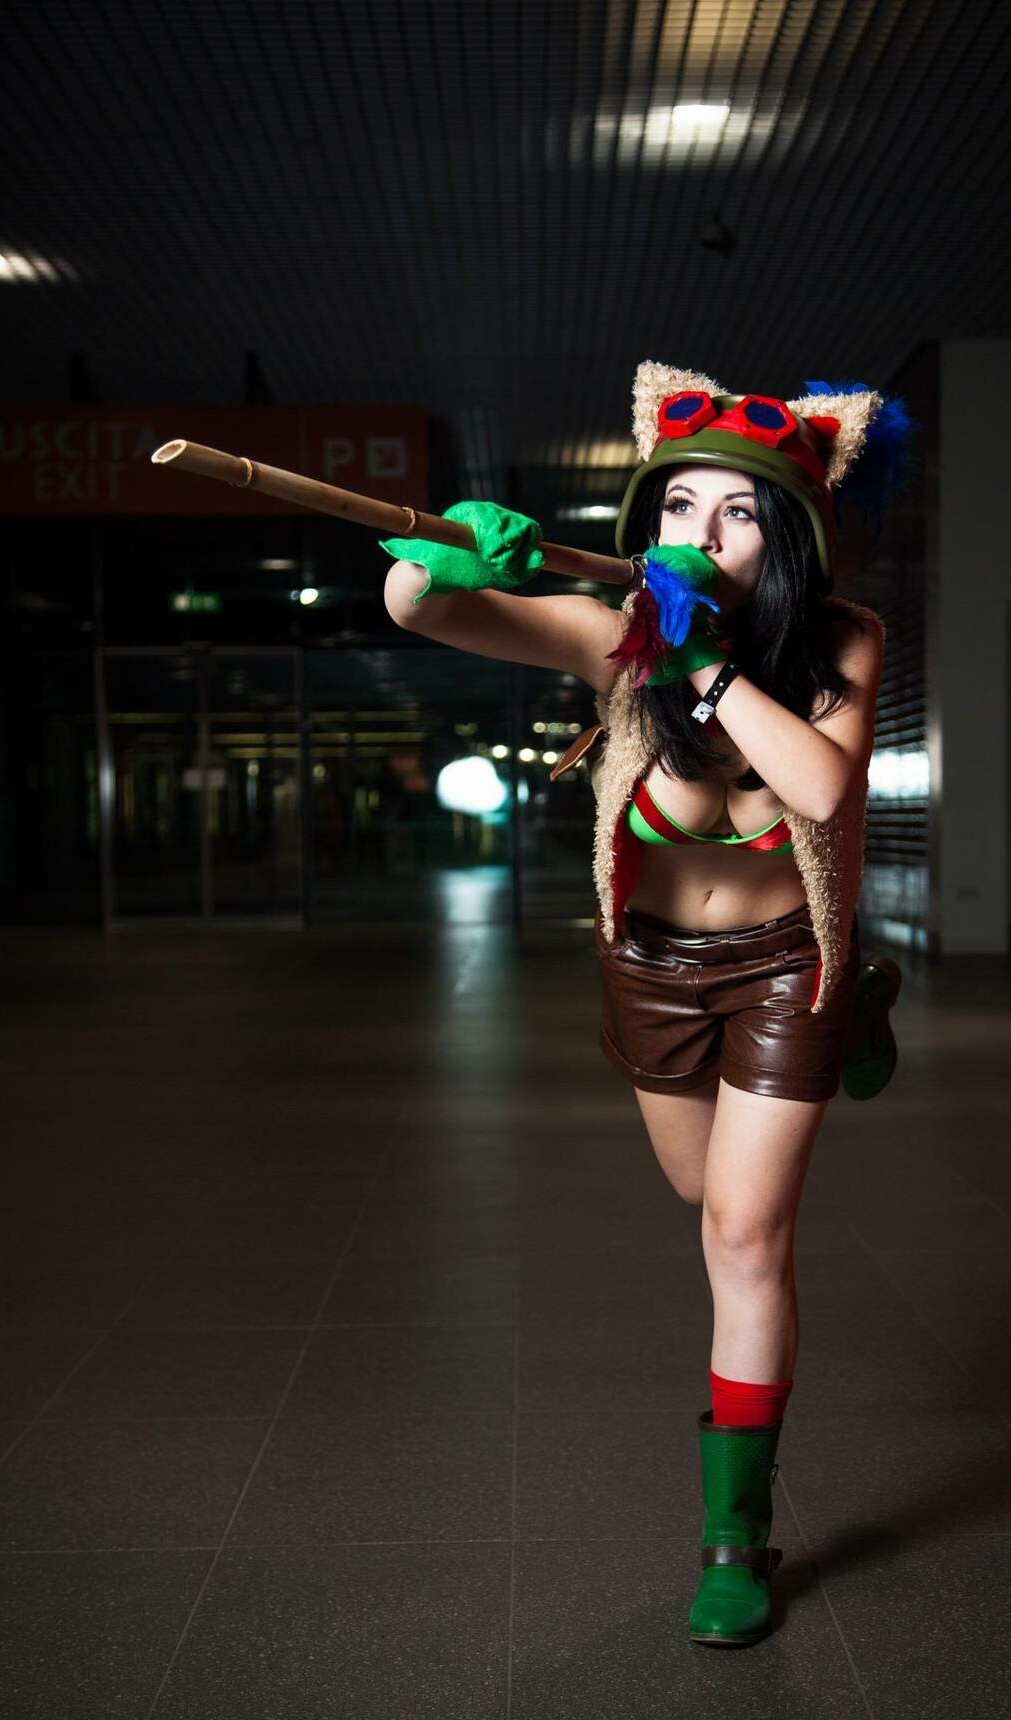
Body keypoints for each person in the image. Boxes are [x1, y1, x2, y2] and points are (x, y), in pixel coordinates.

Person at [381, 359, 911, 1648]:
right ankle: (860, 1018)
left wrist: (712, 666)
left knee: (744, 1233)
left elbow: (822, 789)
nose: (702, 533)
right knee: (697, 1190)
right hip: (655, 972)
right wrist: (454, 558)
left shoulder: (843, 638)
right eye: (680, 507)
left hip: (787, 961)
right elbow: (418, 610)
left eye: (739, 512)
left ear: (787, 534)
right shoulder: (614, 632)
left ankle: (735, 1540)